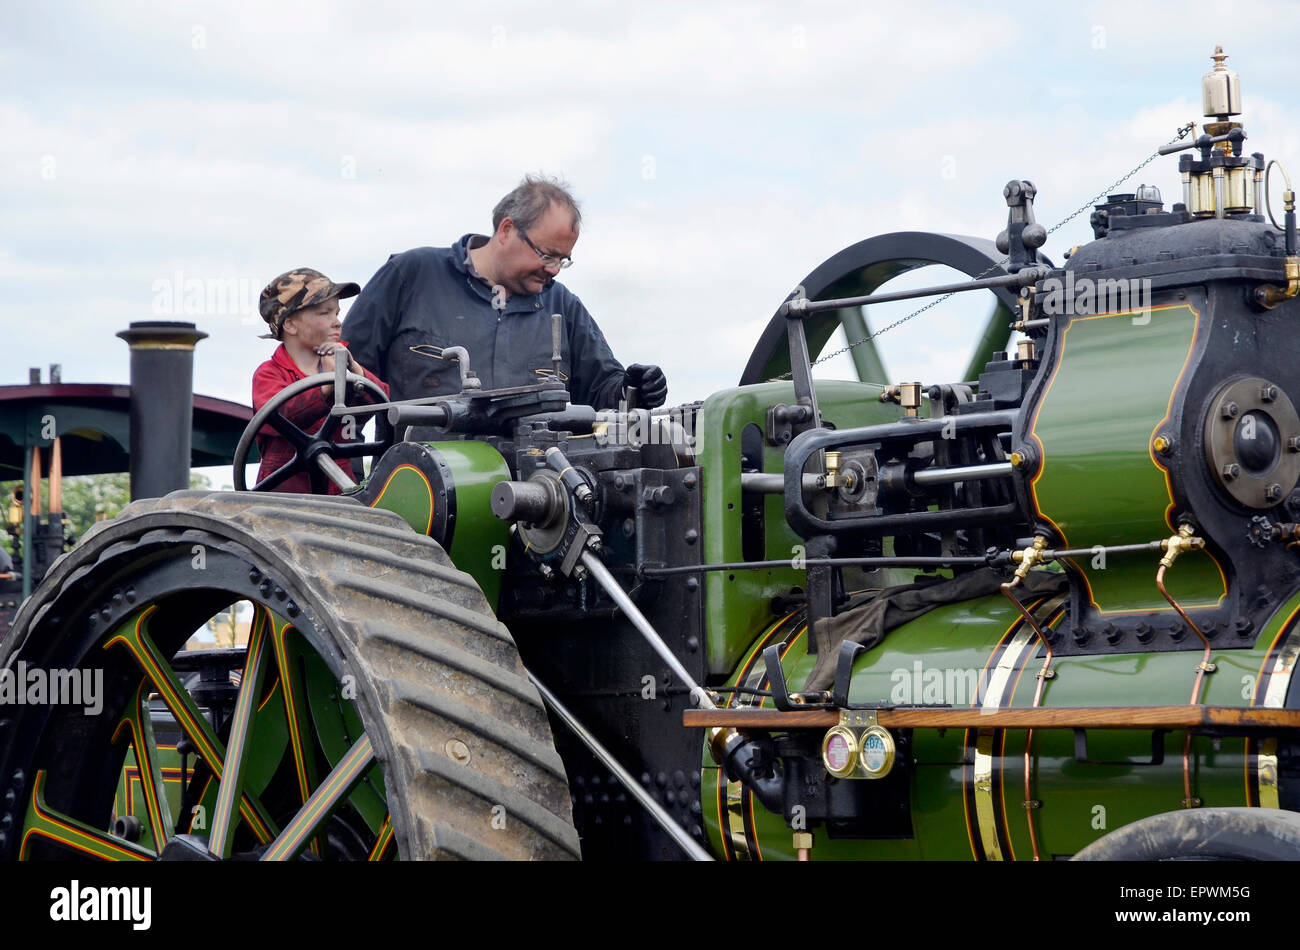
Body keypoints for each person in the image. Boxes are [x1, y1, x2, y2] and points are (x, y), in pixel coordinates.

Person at [341, 175, 667, 409]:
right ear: (506, 230)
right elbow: (342, 381)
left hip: (538, 492)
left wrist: (633, 390)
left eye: (562, 260)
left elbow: (602, 391)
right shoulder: (411, 276)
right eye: (546, 255)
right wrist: (352, 488)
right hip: (416, 490)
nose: (553, 269)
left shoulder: (563, 306)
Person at [252, 268, 390, 493]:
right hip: (283, 500)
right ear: (290, 325)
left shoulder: (346, 367)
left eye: (336, 313)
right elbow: (280, 414)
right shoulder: (269, 375)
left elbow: (381, 402)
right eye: (325, 313)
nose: (336, 322)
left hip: (343, 492)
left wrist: (355, 372)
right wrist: (327, 386)